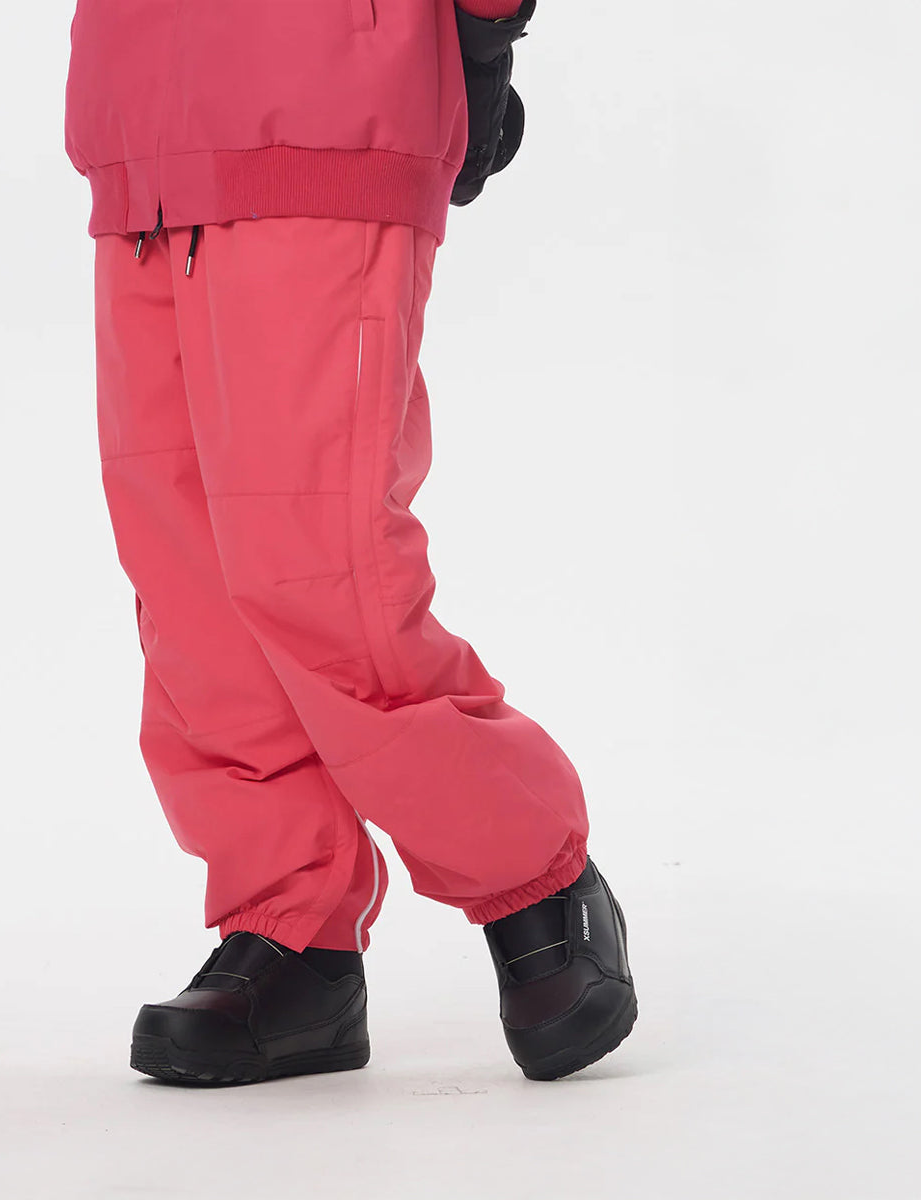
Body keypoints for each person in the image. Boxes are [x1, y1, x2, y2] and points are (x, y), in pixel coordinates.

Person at [62, 0, 636, 1085]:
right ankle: (295, 934)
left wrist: (483, 33)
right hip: (141, 125)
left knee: (317, 564)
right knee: (190, 591)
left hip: (321, 93)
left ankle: (533, 870)